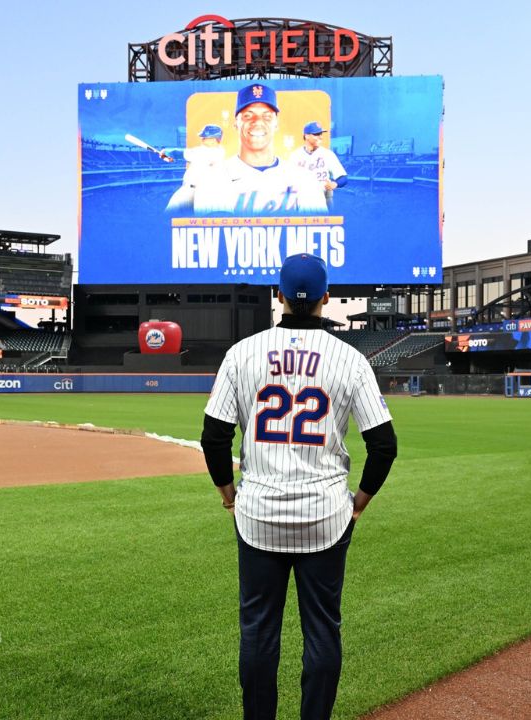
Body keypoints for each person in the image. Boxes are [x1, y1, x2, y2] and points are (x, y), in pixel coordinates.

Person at [201, 253, 398, 720]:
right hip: (327, 516)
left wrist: (228, 494)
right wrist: (359, 505)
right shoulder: (350, 359)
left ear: (279, 297)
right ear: (327, 299)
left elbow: (213, 436)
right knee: (323, 632)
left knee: (258, 631)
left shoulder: (242, 353)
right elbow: (384, 446)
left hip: (258, 515)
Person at [167, 84, 328, 215]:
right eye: (248, 116)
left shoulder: (305, 179)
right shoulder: (213, 180)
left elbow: (317, 241)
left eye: (267, 116)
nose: (257, 122)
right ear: (236, 123)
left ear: (276, 124)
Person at [288, 121, 348, 208]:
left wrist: (335, 184)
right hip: (301, 204)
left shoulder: (327, 154)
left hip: (322, 202)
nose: (320, 137)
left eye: (321, 134)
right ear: (306, 136)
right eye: (316, 134)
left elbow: (343, 178)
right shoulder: (295, 156)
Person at [161, 124, 226, 189]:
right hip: (198, 188)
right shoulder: (219, 150)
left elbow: (182, 153)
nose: (202, 139)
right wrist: (168, 157)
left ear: (214, 139)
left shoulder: (209, 152)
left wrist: (166, 151)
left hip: (198, 190)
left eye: (205, 137)